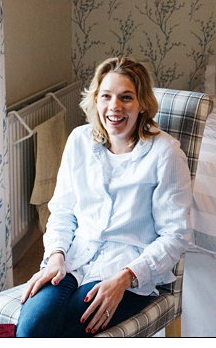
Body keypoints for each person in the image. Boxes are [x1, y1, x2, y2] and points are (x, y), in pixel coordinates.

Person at [17, 56, 191, 337]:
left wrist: (125, 279)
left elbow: (176, 235)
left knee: (62, 330)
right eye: (106, 96)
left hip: (126, 269)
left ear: (143, 103)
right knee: (31, 328)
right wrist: (56, 256)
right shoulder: (79, 141)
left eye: (126, 97)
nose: (115, 107)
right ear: (96, 100)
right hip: (73, 259)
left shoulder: (165, 153)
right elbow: (62, 211)